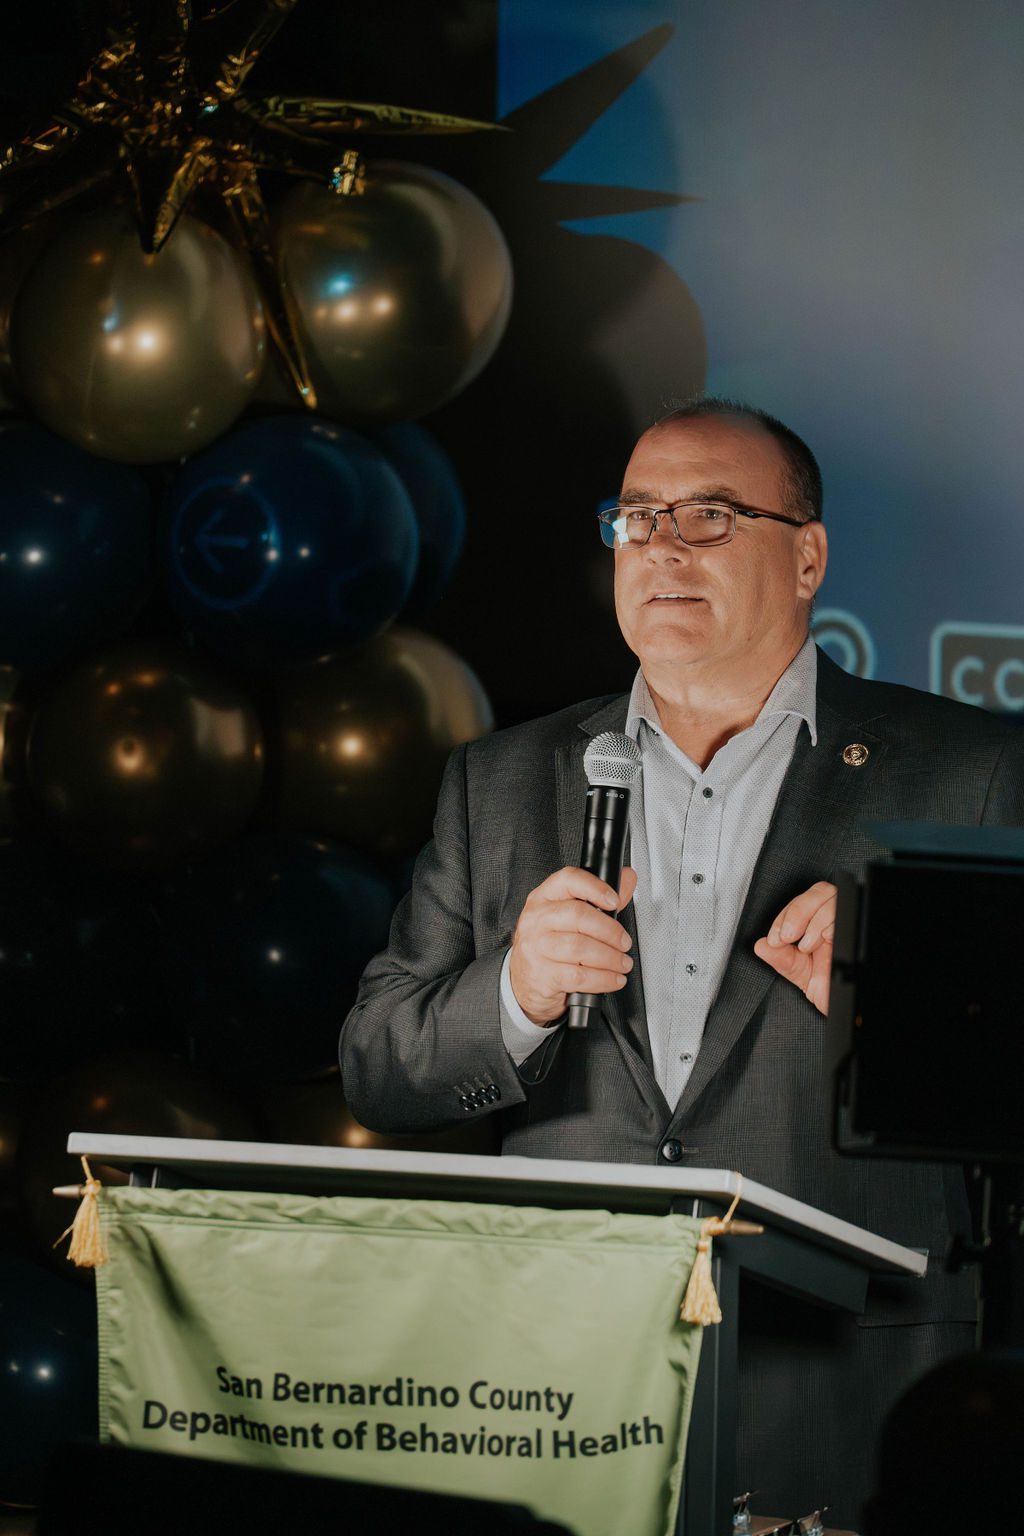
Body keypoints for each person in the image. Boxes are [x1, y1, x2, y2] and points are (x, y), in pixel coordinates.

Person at [340, 398, 1024, 1523]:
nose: (661, 546)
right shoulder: (500, 780)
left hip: (847, 1379)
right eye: (637, 517)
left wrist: (898, 1002)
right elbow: (377, 1065)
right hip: (560, 1384)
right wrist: (515, 993)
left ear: (806, 558)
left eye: (709, 515)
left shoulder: (975, 770)